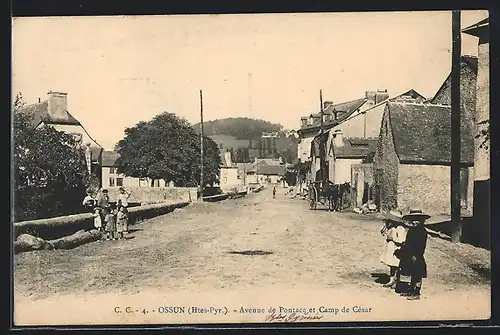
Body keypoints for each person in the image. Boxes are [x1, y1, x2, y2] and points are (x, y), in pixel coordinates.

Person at [395, 208, 430, 300]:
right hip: (409, 254)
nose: (415, 222)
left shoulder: (422, 231)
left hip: (417, 255)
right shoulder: (412, 230)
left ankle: (416, 292)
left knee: (417, 275)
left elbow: (421, 245)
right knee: (411, 273)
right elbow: (409, 242)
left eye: (417, 220)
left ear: (421, 221)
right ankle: (410, 289)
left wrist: (416, 255)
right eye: (413, 220)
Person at [379, 209, 407, 288]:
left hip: (396, 249)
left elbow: (402, 240)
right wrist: (385, 226)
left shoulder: (400, 228)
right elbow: (382, 232)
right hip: (390, 248)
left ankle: (396, 280)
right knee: (391, 265)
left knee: (396, 265)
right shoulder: (391, 227)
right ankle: (391, 279)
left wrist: (393, 238)